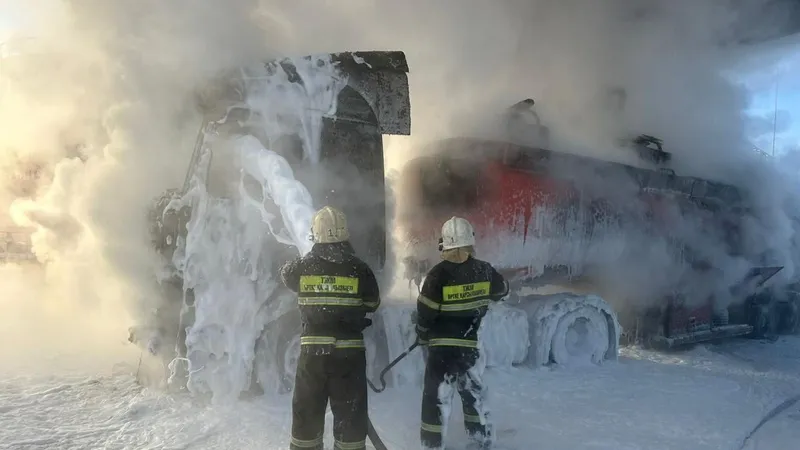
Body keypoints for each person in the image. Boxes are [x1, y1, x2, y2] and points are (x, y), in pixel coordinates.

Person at [280, 205, 381, 450]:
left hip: (313, 357)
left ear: (315, 235)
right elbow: (373, 303)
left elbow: (285, 275)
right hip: (349, 357)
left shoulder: (301, 267)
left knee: (307, 416)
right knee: (351, 422)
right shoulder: (360, 269)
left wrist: (310, 260)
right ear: (345, 234)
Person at [415, 216, 509, 450]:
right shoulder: (484, 270)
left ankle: (432, 444)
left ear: (444, 243)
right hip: (469, 347)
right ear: (470, 242)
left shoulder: (437, 275)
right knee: (473, 395)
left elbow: (425, 312)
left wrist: (422, 333)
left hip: (441, 351)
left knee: (435, 398)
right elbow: (503, 291)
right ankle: (480, 441)